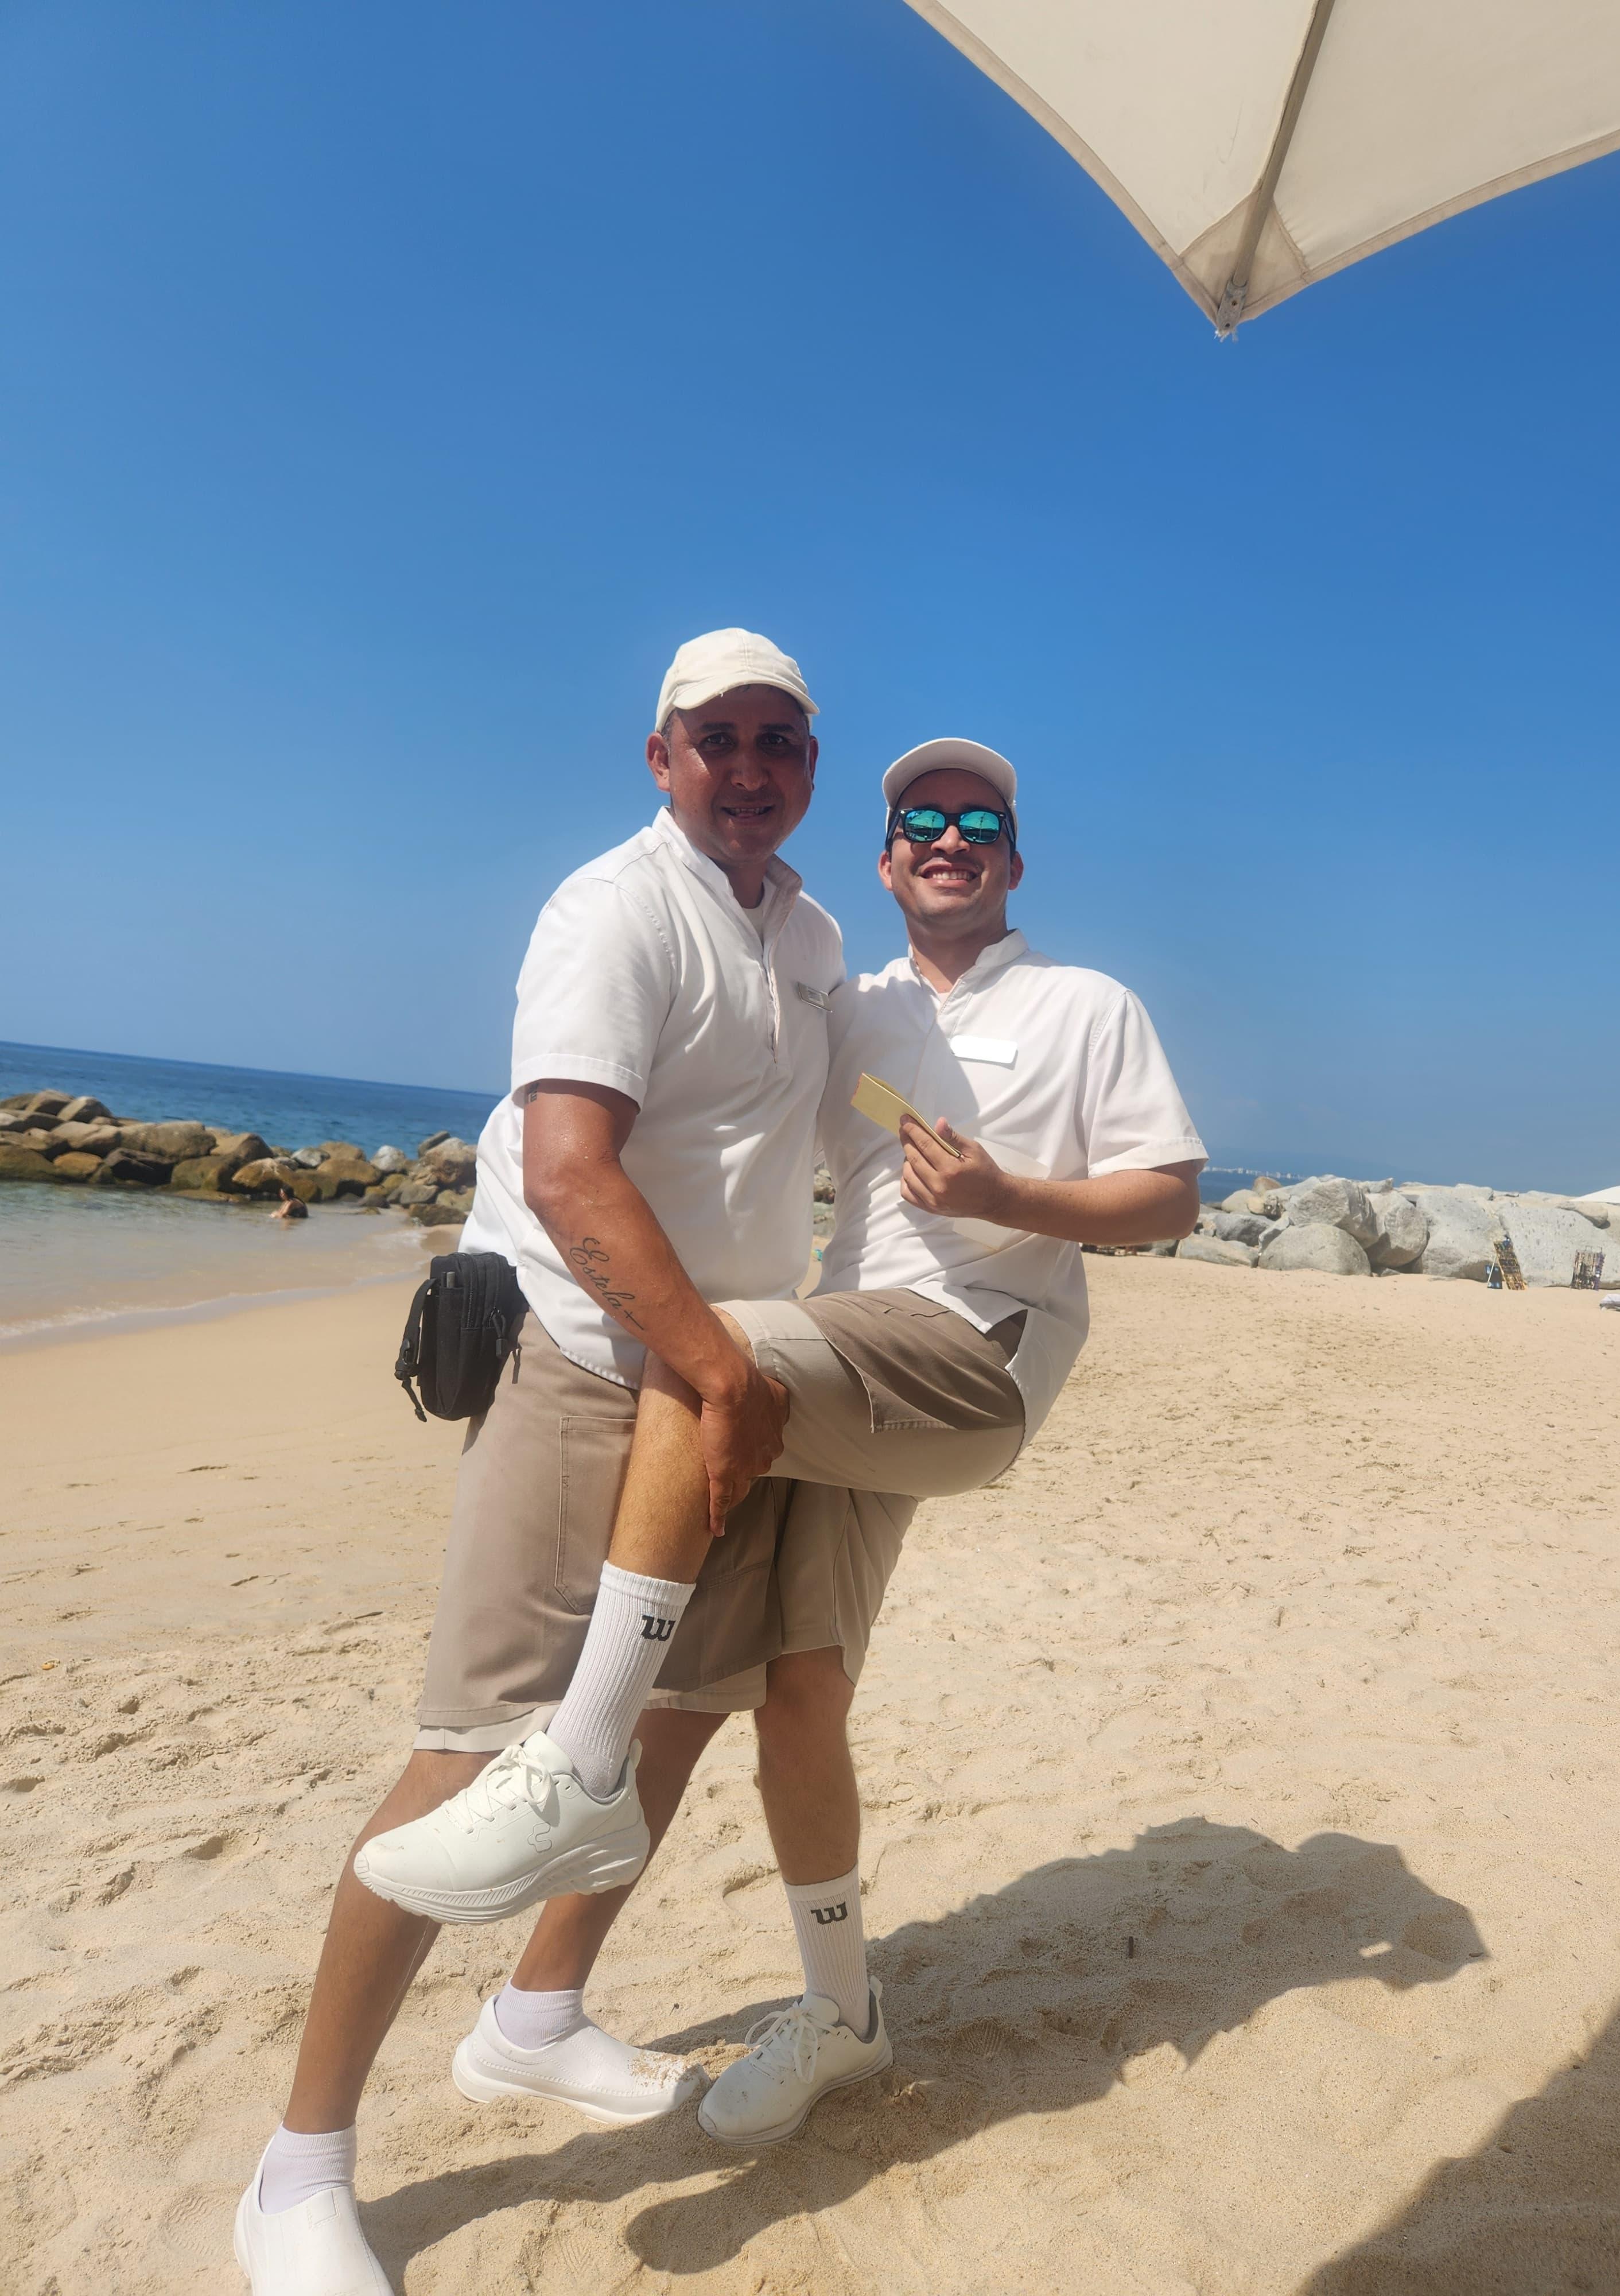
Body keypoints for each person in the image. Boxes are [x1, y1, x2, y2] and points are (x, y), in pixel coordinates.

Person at [357, 737, 1206, 2149]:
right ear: (883, 861)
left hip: (968, 1354)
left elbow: (1170, 1196)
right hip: (849, 1352)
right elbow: (703, 1118)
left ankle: (571, 1759)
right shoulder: (845, 1001)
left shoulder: (1087, 1003)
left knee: (720, 1353)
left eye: (976, 821)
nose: (947, 837)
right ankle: (780, 2010)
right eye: (919, 820)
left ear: (1012, 855)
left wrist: (1013, 1195)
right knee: (769, 1687)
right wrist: (513, 1237)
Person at [234, 629, 841, 2296]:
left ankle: (537, 2015)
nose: (751, 764)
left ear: (808, 765)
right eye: (717, 737)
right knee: (469, 1758)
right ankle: (298, 2172)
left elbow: (815, 1132)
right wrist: (717, 1369)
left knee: (681, 1716)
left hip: (725, 1378)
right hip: (592, 1363)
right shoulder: (609, 909)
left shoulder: (809, 933)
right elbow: (573, 1174)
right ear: (660, 757)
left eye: (782, 739)